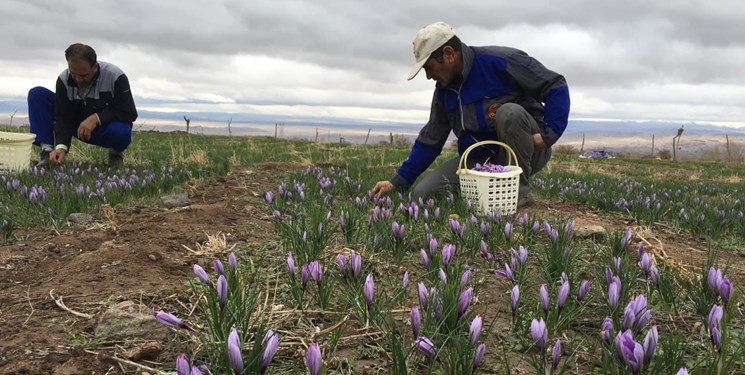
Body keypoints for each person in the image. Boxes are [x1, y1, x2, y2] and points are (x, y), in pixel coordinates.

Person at [372, 22, 570, 208]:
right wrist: (397, 182)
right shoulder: (443, 90)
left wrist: (548, 135)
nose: (428, 76)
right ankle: (486, 189)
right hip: (480, 161)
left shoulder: (500, 61)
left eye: (429, 67)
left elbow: (555, 85)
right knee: (422, 195)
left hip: (528, 151)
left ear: (448, 54)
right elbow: (430, 140)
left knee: (509, 113)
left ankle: (519, 193)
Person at [28, 43, 138, 167]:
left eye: (83, 75)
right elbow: (63, 116)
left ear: (95, 67)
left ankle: (115, 154)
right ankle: (48, 154)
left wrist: (96, 118)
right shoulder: (63, 79)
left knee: (121, 132)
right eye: (73, 73)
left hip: (103, 129)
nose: (78, 79)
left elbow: (129, 112)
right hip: (76, 125)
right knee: (37, 95)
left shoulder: (115, 77)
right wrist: (61, 147)